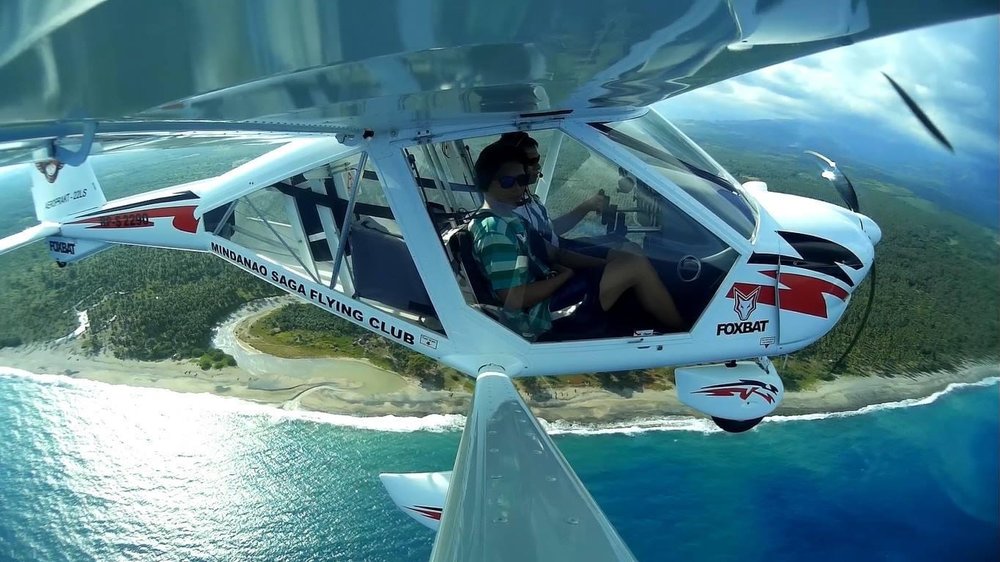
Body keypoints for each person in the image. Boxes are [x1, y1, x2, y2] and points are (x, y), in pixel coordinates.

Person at [469, 143, 684, 340]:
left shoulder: (510, 219)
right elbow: (513, 298)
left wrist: (605, 266)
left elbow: (555, 253)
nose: (518, 188)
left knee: (630, 259)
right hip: (539, 318)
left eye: (522, 180)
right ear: (485, 182)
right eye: (508, 182)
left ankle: (657, 319)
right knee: (635, 265)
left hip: (550, 289)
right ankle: (682, 333)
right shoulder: (493, 230)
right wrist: (564, 277)